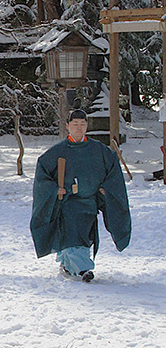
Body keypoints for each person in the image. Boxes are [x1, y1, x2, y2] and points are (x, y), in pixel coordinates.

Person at [29, 109, 132, 282]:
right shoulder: (57, 151)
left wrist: (106, 188)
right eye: (75, 124)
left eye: (82, 124)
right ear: (68, 126)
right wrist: (54, 189)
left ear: (87, 126)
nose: (79, 128)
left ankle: (68, 264)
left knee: (83, 236)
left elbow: (113, 172)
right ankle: (83, 269)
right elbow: (42, 174)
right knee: (73, 234)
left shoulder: (99, 150)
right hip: (68, 204)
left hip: (90, 203)